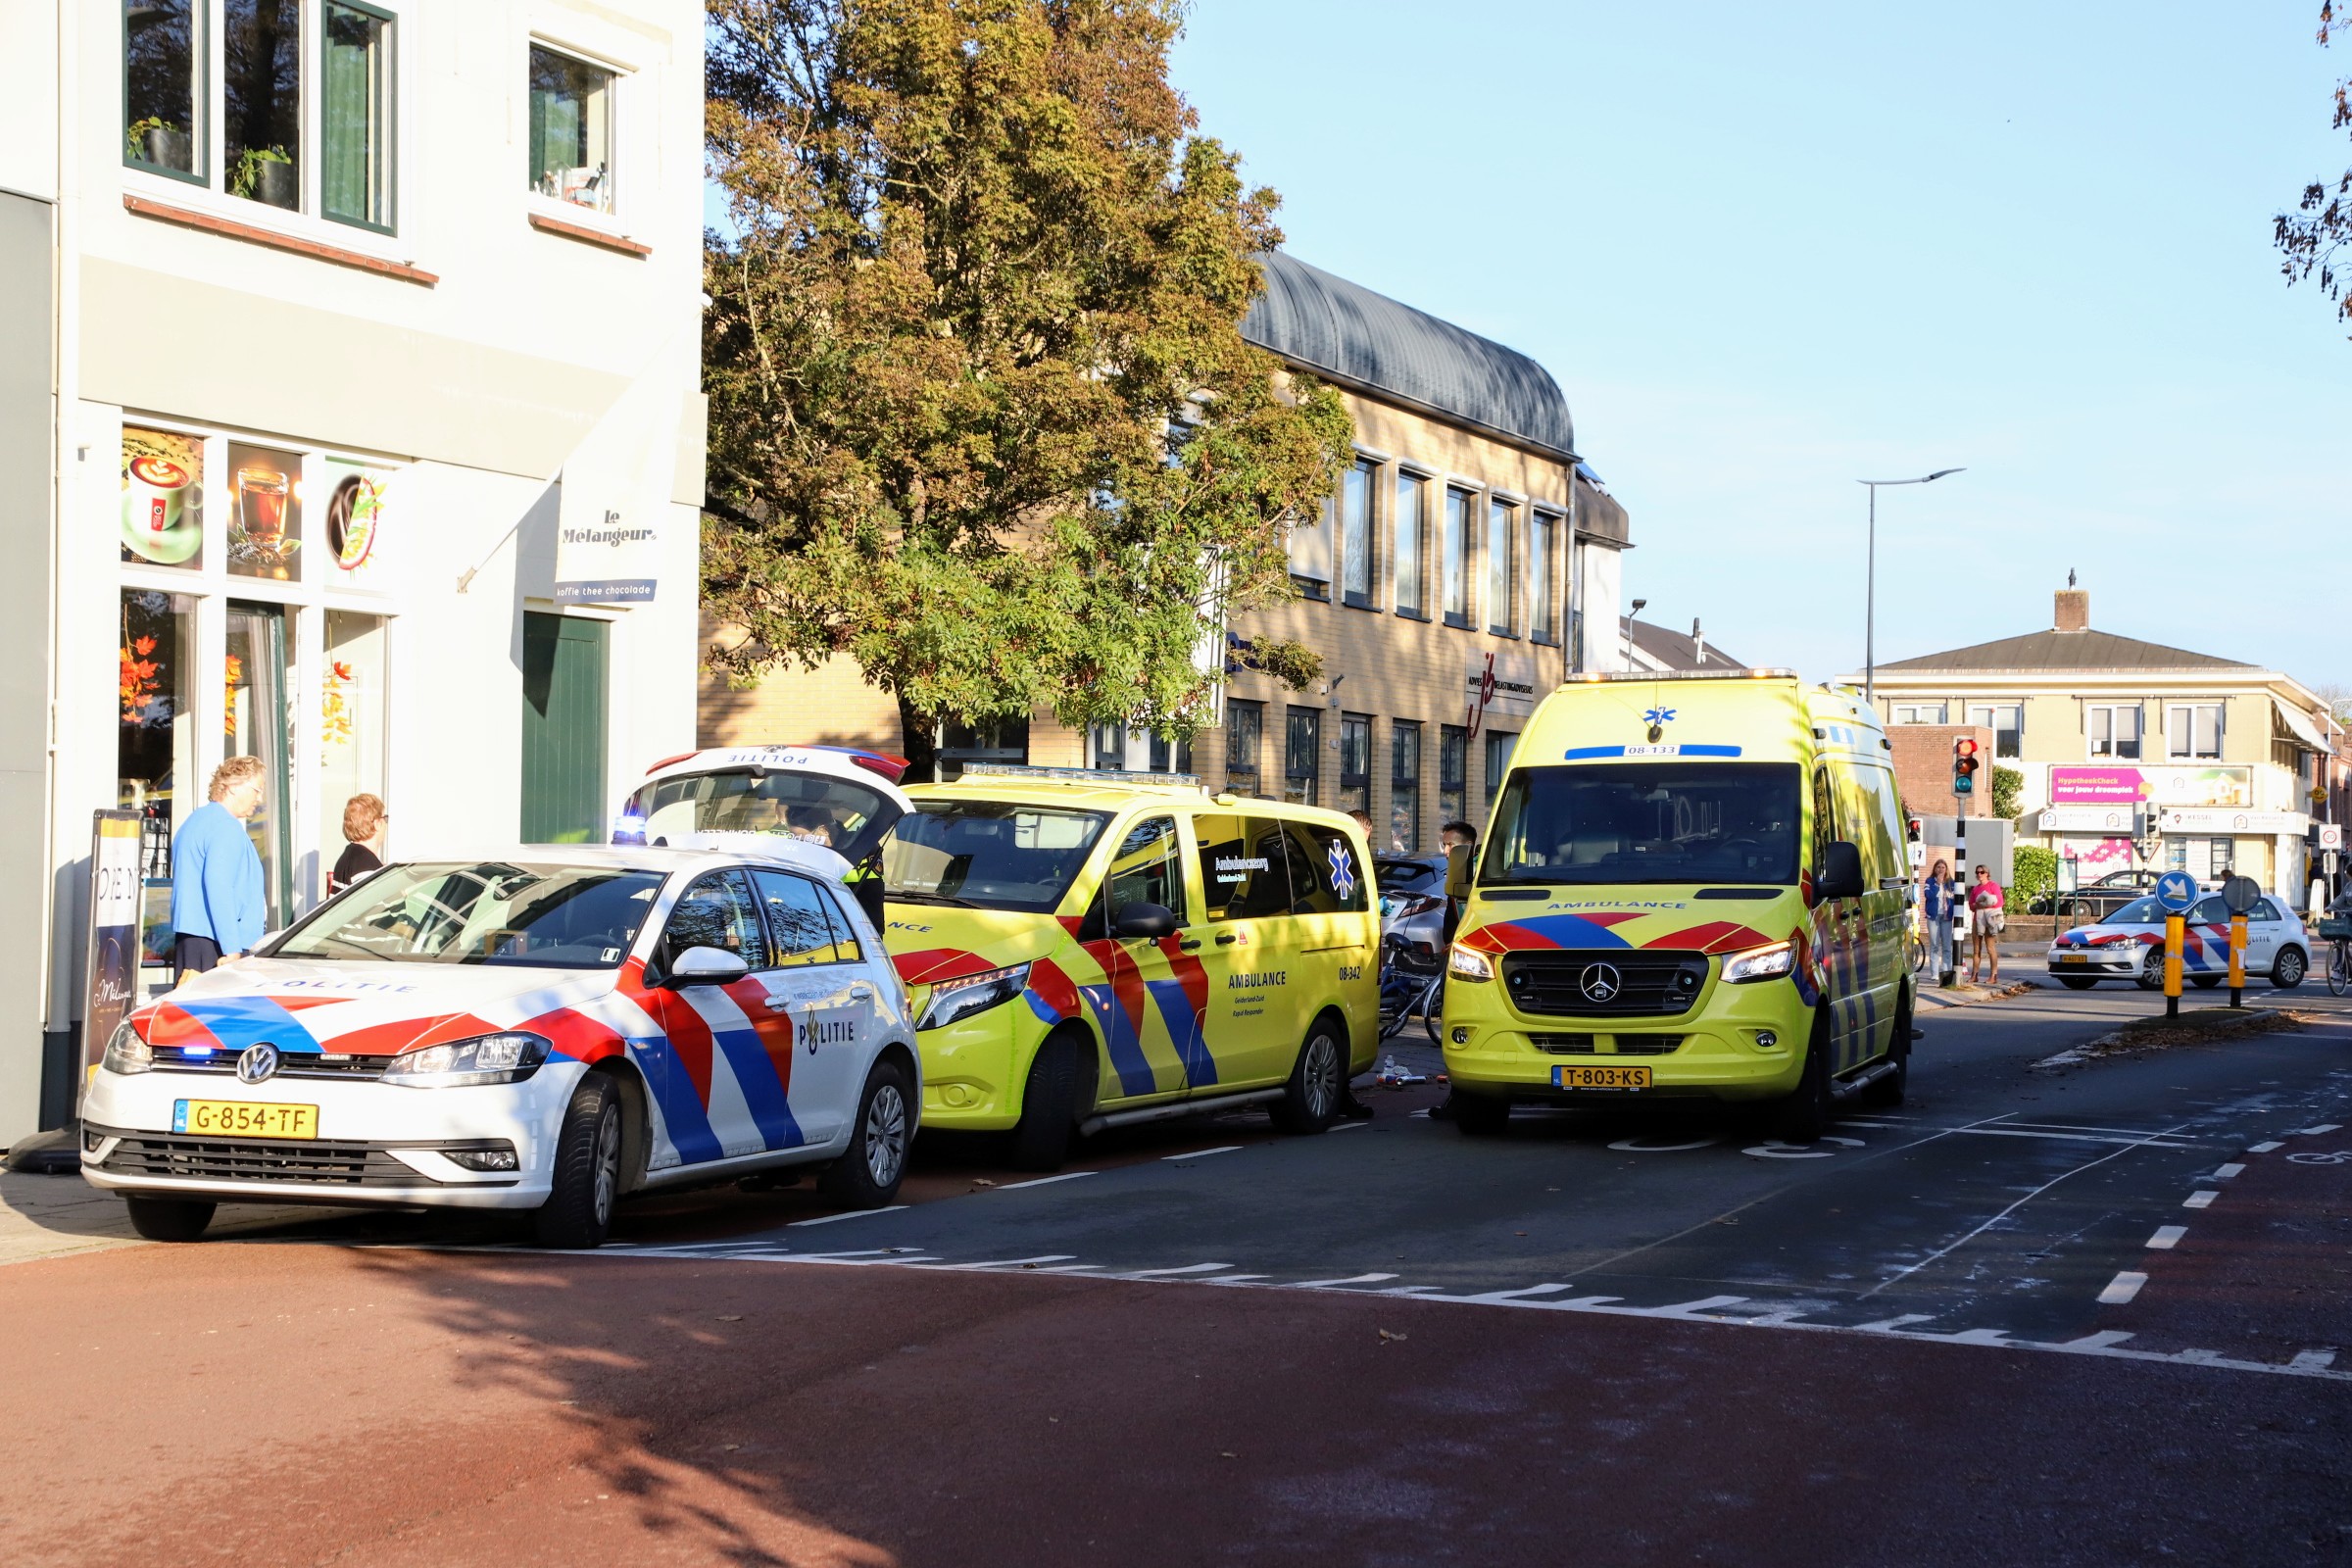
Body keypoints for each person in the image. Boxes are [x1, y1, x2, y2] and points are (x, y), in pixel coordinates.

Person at [170, 756, 268, 981]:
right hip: (218, 944)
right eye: (256, 789)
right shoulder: (225, 827)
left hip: (193, 939)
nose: (259, 798)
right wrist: (232, 949)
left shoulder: (195, 820)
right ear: (233, 787)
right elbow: (219, 888)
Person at [330, 793, 387, 895]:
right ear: (377, 824)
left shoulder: (349, 857)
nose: (386, 824)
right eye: (385, 818)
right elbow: (375, 908)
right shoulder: (365, 866)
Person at [1921, 858, 1956, 988]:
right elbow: (1928, 896)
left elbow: (1954, 898)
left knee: (1947, 946)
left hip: (1946, 917)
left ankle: (1946, 971)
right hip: (1933, 917)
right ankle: (1935, 973)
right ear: (1935, 869)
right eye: (1938, 867)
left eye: (1943, 867)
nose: (1941, 870)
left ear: (1946, 869)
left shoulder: (1951, 883)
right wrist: (1937, 884)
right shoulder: (1929, 881)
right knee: (1934, 945)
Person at [1969, 862, 2004, 984]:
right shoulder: (1975, 889)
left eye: (1982, 872)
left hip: (1989, 919)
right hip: (1977, 920)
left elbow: (1999, 902)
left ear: (1987, 874)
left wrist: (1984, 904)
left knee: (1990, 948)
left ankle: (1993, 975)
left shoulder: (1993, 886)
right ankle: (1974, 975)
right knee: (1976, 949)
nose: (1979, 874)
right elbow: (1971, 905)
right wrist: (1975, 905)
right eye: (1977, 872)